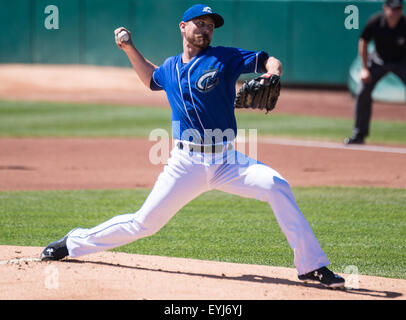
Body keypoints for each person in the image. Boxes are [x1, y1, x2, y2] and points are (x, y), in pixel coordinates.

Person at [40, 4, 345, 288]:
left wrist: (272, 73)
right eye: (200, 23)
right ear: (183, 27)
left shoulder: (224, 58)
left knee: (276, 185)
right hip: (185, 164)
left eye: (210, 25)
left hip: (227, 161)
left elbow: (269, 59)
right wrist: (128, 47)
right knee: (144, 223)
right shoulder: (171, 69)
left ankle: (310, 264)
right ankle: (73, 242)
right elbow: (150, 78)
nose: (206, 29)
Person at [345, 0, 406, 145]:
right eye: (393, 9)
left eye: (399, 9)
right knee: (362, 90)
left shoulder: (404, 24)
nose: (395, 12)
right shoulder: (376, 21)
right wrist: (365, 68)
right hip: (379, 60)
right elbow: (363, 41)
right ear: (385, 8)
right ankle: (359, 134)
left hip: (402, 62)